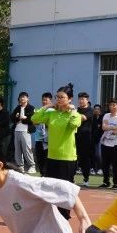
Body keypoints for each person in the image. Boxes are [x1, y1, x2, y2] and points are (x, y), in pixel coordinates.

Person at [31, 84, 83, 218]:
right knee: (51, 188)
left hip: (67, 158)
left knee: (64, 190)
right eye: (57, 97)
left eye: (62, 97)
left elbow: (74, 124)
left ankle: (64, 216)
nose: (59, 99)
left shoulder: (74, 114)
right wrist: (47, 106)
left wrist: (72, 110)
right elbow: (34, 119)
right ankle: (53, 215)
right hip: (52, 156)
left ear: (70, 99)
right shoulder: (52, 113)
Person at [99, 99, 117, 189]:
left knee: (115, 165)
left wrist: (109, 127)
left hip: (115, 144)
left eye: (114, 105)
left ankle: (116, 183)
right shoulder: (106, 115)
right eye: (110, 105)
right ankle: (106, 182)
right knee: (105, 164)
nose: (112, 107)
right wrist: (113, 127)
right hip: (104, 142)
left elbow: (116, 131)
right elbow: (103, 128)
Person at [10, 91, 36, 173]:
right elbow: (12, 118)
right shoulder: (17, 108)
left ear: (27, 98)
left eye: (24, 97)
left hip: (26, 130)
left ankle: (32, 166)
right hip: (17, 130)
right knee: (17, 149)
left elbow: (32, 119)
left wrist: (23, 119)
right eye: (21, 97)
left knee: (27, 149)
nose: (22, 98)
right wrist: (19, 118)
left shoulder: (31, 108)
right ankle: (20, 166)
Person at [75, 91, 96, 186]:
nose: (81, 101)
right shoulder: (76, 110)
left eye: (83, 99)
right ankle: (71, 178)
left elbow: (82, 118)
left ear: (87, 100)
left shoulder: (90, 110)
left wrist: (73, 113)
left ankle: (86, 178)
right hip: (75, 136)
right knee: (74, 158)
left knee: (85, 159)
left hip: (86, 138)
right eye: (79, 99)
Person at [33, 92, 51, 174]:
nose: (44, 102)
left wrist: (43, 121)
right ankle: (42, 174)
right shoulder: (39, 110)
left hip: (48, 139)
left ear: (50, 100)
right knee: (39, 157)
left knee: (47, 157)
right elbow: (34, 122)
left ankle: (46, 174)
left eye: (46, 100)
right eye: (43, 100)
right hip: (39, 138)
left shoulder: (52, 111)